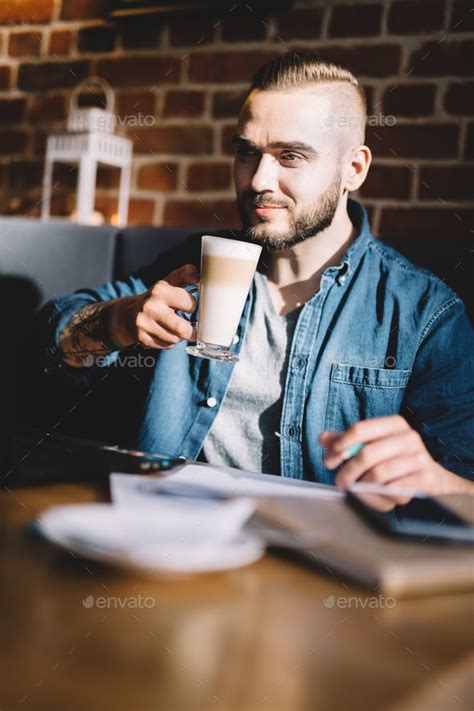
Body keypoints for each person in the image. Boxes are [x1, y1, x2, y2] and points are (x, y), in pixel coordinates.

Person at [42, 51, 474, 494]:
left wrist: (435, 481)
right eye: (248, 153)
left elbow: (466, 482)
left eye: (290, 156)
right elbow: (50, 342)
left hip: (317, 558)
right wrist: (119, 321)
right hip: (170, 532)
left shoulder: (423, 314)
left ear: (354, 169)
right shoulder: (195, 265)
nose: (258, 180)